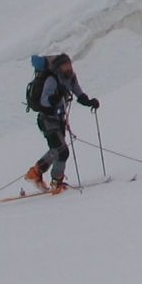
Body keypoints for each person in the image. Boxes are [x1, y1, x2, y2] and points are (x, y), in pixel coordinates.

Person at [26, 53, 99, 193]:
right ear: (58, 68)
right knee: (62, 151)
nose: (68, 69)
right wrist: (56, 95)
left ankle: (35, 173)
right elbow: (44, 101)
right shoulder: (52, 79)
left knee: (57, 150)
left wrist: (89, 102)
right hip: (47, 120)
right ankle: (56, 182)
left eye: (69, 65)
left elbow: (79, 93)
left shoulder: (71, 77)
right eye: (65, 66)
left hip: (59, 120)